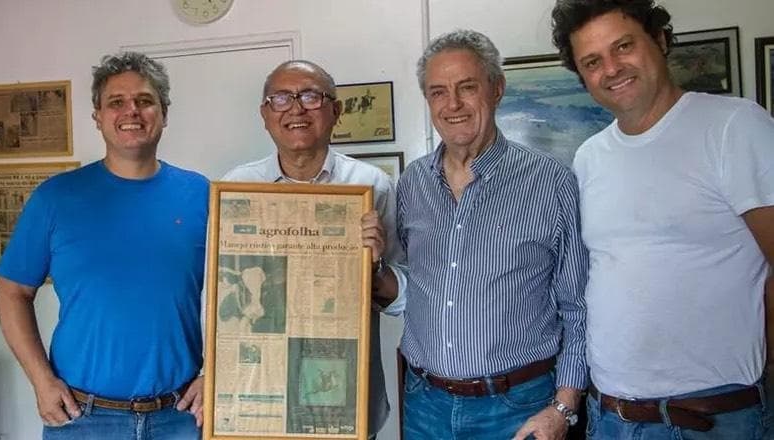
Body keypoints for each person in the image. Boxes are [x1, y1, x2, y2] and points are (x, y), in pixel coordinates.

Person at [551, 1, 774, 438]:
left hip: (712, 418)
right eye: (592, 62)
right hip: (609, 417)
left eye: (623, 47)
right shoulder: (589, 157)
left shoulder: (734, 126)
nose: (611, 69)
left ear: (660, 39)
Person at [0, 52, 208, 439]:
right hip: (82, 419)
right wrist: (41, 381)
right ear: (97, 115)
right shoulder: (56, 198)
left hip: (180, 419)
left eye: (145, 100)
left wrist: (217, 374)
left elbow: (242, 295)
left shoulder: (203, 196)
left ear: (164, 113)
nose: (132, 111)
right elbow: (12, 292)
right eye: (116, 102)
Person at [397, 29, 588, 440]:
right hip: (424, 405)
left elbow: (578, 307)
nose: (452, 104)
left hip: (517, 408)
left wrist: (564, 407)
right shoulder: (412, 183)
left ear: (496, 89)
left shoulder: (550, 182)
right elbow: (404, 282)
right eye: (438, 92)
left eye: (467, 87)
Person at [221, 59, 407, 439]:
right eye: (280, 98)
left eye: (310, 96)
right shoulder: (237, 187)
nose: (295, 109)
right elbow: (218, 293)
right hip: (261, 394)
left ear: (335, 111)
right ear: (265, 114)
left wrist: (374, 266)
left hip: (344, 394)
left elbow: (401, 300)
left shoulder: (372, 185)